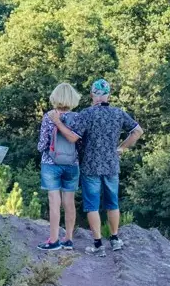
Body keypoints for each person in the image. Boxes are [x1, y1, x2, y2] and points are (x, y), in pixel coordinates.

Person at [52, 78, 142, 257]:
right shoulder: (118, 113)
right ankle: (115, 239)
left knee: (92, 205)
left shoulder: (87, 114)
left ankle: (98, 244)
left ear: (92, 94)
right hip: (111, 164)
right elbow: (138, 131)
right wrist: (122, 147)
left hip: (90, 165)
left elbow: (72, 138)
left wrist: (58, 123)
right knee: (112, 203)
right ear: (109, 95)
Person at [36, 83, 81, 251]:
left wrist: (41, 150)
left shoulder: (49, 116)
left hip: (51, 163)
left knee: (54, 201)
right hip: (72, 163)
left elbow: (43, 143)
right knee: (69, 201)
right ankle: (68, 239)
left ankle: (53, 240)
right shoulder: (77, 117)